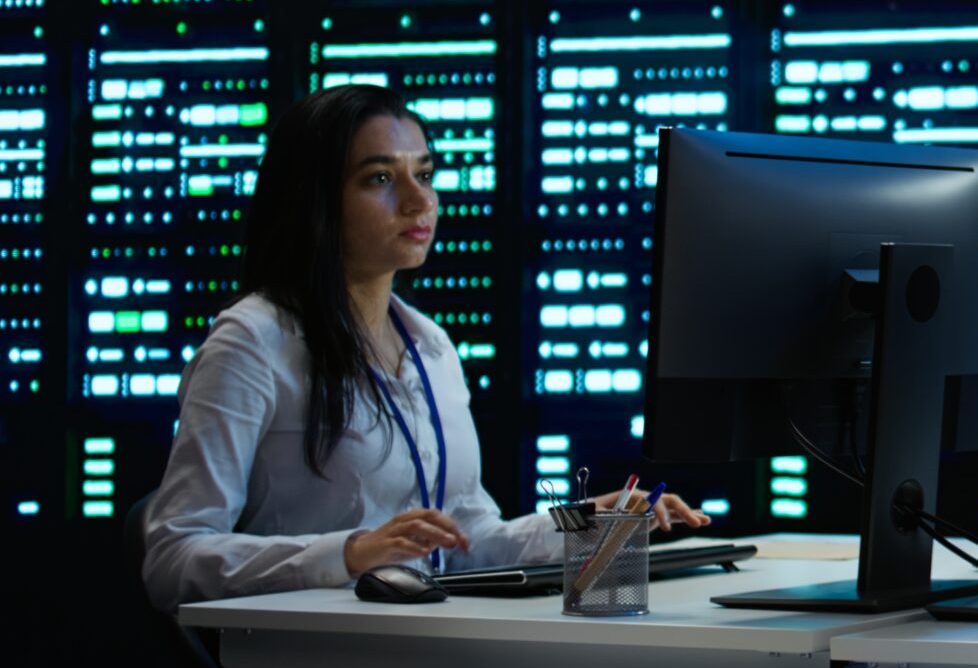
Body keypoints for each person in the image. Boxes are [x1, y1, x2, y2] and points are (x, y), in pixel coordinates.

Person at [144, 83, 708, 612]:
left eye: (425, 174)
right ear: (314, 201)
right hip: (309, 660)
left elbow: (468, 539)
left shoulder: (429, 345)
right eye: (380, 178)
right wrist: (349, 553)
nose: (419, 201)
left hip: (420, 645)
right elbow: (173, 557)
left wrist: (585, 521)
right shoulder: (252, 342)